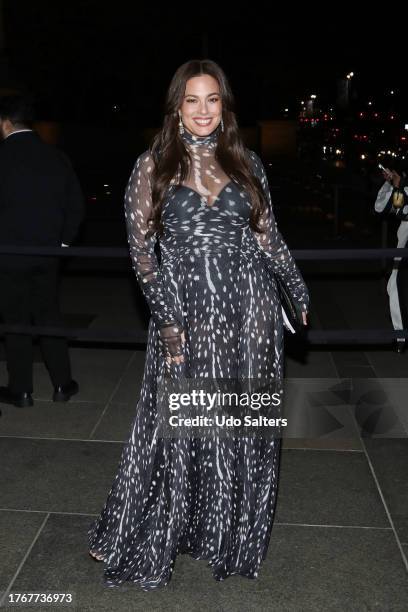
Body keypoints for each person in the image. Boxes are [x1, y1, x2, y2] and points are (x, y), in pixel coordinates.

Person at [88, 59, 309, 590]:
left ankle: (228, 536)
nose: (204, 110)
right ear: (176, 108)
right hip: (185, 313)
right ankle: (164, 527)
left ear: (225, 107)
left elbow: (267, 237)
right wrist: (168, 324)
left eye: (213, 100)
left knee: (243, 425)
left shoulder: (248, 162)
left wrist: (296, 289)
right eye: (192, 100)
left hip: (251, 313)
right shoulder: (152, 165)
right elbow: (142, 257)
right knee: (182, 428)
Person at [0, 95, 85, 408]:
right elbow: (75, 206)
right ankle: (62, 384)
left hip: (7, 257)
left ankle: (21, 390)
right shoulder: (55, 157)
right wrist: (61, 245)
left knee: (15, 322)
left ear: (4, 122)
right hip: (47, 256)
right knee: (50, 317)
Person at [374, 163, 408, 353]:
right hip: (404, 237)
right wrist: (392, 184)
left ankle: (401, 335)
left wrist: (399, 185)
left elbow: (400, 208)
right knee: (394, 285)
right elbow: (386, 208)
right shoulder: (402, 182)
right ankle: (401, 335)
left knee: (396, 284)